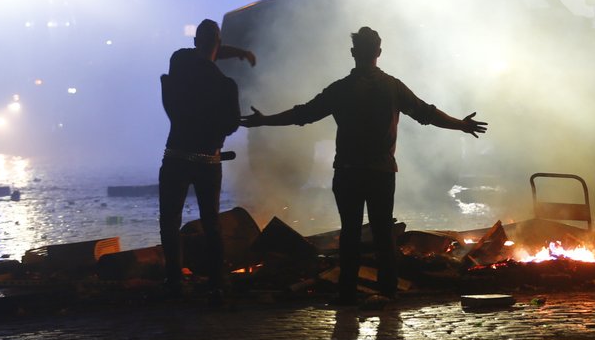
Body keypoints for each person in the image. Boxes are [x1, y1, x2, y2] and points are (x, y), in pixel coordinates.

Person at [240, 26, 487, 305]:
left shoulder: (340, 89)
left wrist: (265, 120)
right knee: (383, 233)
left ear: (353, 53)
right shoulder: (393, 87)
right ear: (378, 53)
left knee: (350, 232)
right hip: (382, 172)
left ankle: (346, 292)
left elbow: (303, 114)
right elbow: (426, 113)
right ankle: (388, 291)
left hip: (347, 171)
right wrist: (461, 125)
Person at [159, 19, 255, 302]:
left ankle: (174, 280)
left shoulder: (179, 62)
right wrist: (241, 53)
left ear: (195, 42)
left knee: (169, 220)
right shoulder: (225, 86)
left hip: (175, 156)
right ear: (219, 43)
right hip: (208, 162)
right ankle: (216, 280)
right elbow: (231, 124)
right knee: (212, 222)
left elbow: (204, 52)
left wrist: (236, 51)